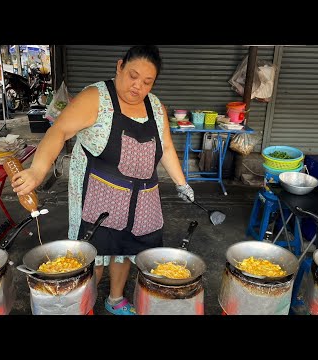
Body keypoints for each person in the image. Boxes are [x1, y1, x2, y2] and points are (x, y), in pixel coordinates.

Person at [11, 45, 195, 315]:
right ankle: (83, 305)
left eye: (147, 81)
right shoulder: (96, 97)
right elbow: (59, 131)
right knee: (93, 253)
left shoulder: (155, 106)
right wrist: (38, 171)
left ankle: (115, 298)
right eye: (133, 75)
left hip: (141, 196)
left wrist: (182, 184)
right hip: (97, 192)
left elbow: (166, 147)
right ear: (119, 66)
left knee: (126, 248)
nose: (137, 86)